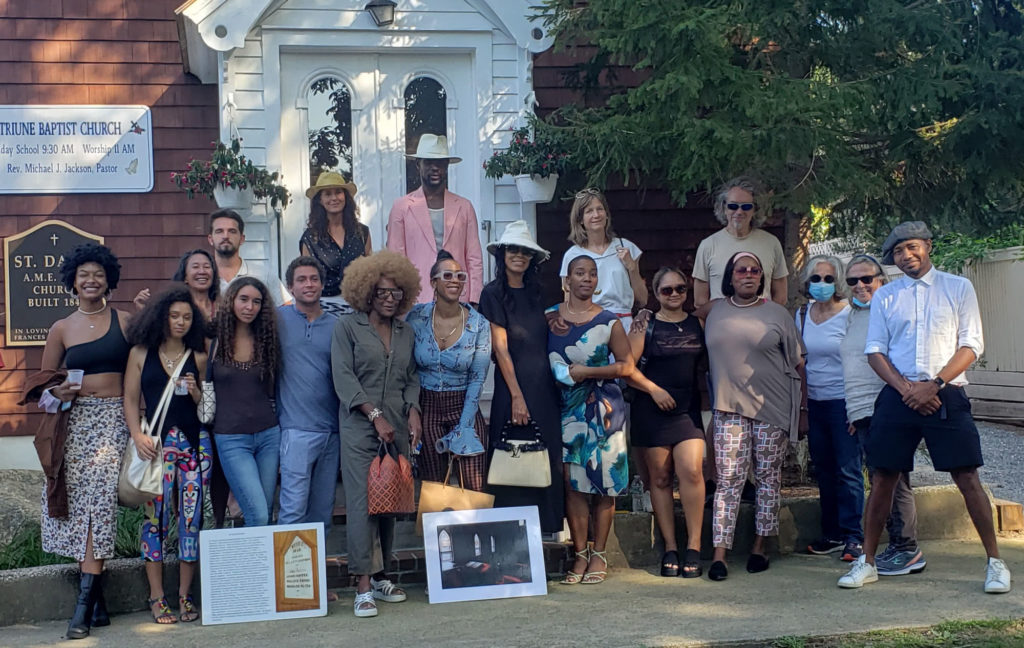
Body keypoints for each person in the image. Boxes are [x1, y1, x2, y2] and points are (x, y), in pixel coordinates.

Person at [839, 222, 1011, 593]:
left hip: (944, 393)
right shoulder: (887, 296)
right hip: (899, 394)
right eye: (899, 252)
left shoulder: (958, 287)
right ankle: (867, 563)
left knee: (967, 478)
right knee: (883, 477)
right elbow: (875, 350)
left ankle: (995, 563)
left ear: (928, 246)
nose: (906, 256)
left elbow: (971, 345)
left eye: (912, 247)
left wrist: (934, 384)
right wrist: (906, 389)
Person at [37, 243, 133, 639]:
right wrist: (57, 394)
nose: (91, 280)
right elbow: (42, 387)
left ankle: (81, 611)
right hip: (75, 424)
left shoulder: (125, 321)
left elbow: (143, 369)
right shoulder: (61, 328)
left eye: (98, 274)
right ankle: (99, 605)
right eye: (84, 275)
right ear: (73, 282)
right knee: (80, 505)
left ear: (109, 279)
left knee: (97, 503)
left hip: (113, 419)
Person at [332, 250, 423, 618]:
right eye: (382, 292)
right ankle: (363, 585)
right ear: (366, 292)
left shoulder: (406, 332)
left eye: (396, 292)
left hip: (398, 425)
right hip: (359, 426)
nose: (389, 298)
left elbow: (412, 376)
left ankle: (383, 575)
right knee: (362, 504)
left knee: (391, 500)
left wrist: (413, 411)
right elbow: (343, 376)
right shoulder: (347, 328)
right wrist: (373, 415)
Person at [704, 251, 804, 581]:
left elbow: (798, 365)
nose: (748, 274)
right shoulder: (714, 311)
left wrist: (801, 410)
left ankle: (759, 548)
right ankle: (720, 553)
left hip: (771, 408)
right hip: (727, 407)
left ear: (762, 277)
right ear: (730, 277)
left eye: (754, 270)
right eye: (741, 270)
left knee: (767, 477)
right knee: (728, 479)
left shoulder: (778, 314)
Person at [123, 286, 209, 625]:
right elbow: (130, 400)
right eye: (174, 315)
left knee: (191, 521)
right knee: (154, 522)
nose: (181, 322)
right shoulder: (140, 353)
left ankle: (186, 596)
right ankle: (157, 597)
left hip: (194, 448)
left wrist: (196, 391)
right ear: (161, 316)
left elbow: (207, 407)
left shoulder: (198, 356)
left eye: (187, 317)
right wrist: (137, 435)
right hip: (155, 448)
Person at [548, 255, 635, 585]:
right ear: (567, 280)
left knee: (604, 485)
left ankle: (599, 554)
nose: (586, 278)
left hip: (603, 412)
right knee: (574, 486)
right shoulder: (551, 318)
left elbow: (626, 366)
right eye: (579, 273)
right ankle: (580, 553)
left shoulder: (609, 321)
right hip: (566, 412)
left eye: (592, 273)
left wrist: (588, 372)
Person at [839, 253, 926, 576]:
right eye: (852, 281)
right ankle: (898, 545)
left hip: (887, 406)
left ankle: (907, 547)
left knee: (892, 479)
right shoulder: (854, 315)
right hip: (861, 410)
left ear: (881, 280)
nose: (860, 286)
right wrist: (854, 411)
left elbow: (899, 359)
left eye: (867, 279)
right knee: (879, 478)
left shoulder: (891, 310)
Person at [478, 221, 565, 534]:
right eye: (513, 249)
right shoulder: (492, 294)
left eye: (525, 251)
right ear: (502, 254)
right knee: (512, 460)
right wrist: (516, 396)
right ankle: (510, 535)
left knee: (547, 459)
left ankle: (548, 532)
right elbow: (501, 351)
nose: (519, 255)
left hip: (545, 389)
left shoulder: (538, 292)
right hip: (513, 389)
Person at [626, 268, 707, 578]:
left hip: (687, 409)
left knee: (691, 469)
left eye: (680, 289)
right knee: (659, 477)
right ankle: (670, 547)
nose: (674, 295)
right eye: (667, 290)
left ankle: (695, 547)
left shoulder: (697, 322)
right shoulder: (645, 324)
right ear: (656, 292)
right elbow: (626, 367)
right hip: (651, 408)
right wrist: (654, 390)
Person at [406, 251, 491, 490]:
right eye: (447, 275)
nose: (455, 280)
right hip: (428, 406)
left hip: (465, 403)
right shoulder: (416, 318)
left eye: (460, 276)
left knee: (474, 485)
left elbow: (477, 377)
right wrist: (412, 410)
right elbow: (407, 368)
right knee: (434, 486)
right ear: (433, 282)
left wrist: (464, 426)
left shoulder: (478, 324)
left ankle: (475, 528)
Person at [796, 255, 862, 562]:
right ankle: (832, 533)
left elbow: (859, 362)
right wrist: (804, 408)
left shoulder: (851, 314)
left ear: (838, 282)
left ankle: (854, 537)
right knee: (823, 470)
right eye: (815, 279)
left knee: (848, 470)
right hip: (816, 403)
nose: (821, 284)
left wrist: (856, 407)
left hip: (844, 402)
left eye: (828, 279)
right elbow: (801, 365)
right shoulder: (801, 315)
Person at [276, 257, 341, 537]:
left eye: (314, 278)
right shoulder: (277, 319)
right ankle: (286, 581)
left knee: (322, 514)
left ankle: (317, 580)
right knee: (292, 512)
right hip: (295, 430)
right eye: (301, 279)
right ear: (290, 287)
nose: (309, 284)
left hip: (332, 431)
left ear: (323, 285)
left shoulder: (337, 325)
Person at [210, 277, 281, 527]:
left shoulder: (267, 340)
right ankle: (256, 566)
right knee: (258, 513)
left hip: (269, 435)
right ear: (231, 301)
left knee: (266, 511)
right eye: (244, 299)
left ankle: (259, 566)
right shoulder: (214, 339)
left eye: (256, 302)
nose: (250, 306)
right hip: (231, 439)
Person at [386, 134, 483, 304]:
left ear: (447, 166)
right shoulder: (401, 207)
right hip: (417, 298)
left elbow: (474, 257)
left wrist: (474, 298)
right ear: (418, 165)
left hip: (457, 296)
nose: (435, 168)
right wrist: (399, 299)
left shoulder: (464, 206)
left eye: (440, 163)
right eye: (429, 163)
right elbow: (396, 259)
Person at [692, 176, 788, 308]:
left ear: (755, 210)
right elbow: (700, 300)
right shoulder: (708, 245)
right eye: (733, 206)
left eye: (746, 206)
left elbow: (781, 296)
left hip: (761, 324)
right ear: (724, 208)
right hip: (723, 324)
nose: (739, 212)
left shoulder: (771, 243)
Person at [559, 187, 647, 329]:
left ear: (606, 214)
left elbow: (642, 300)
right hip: (590, 324)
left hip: (623, 323)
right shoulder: (572, 255)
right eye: (589, 211)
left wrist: (632, 268)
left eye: (600, 209)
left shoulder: (626, 247)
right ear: (580, 220)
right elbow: (569, 303)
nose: (596, 215)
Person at [301, 172, 372, 315]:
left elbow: (370, 272)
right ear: (320, 200)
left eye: (338, 192)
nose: (334, 198)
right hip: (323, 309)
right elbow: (307, 278)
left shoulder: (362, 232)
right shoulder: (310, 238)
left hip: (359, 308)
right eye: (327, 194)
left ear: (345, 196)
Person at [208, 208, 289, 303]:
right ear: (210, 239)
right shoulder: (203, 276)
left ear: (242, 239)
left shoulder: (263, 275)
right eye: (219, 231)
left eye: (232, 231)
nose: (225, 236)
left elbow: (286, 309)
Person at [172, 248, 219, 322]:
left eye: (207, 267)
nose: (202, 271)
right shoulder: (175, 308)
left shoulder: (221, 308)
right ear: (185, 276)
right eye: (195, 267)